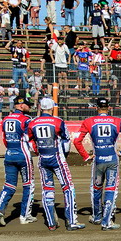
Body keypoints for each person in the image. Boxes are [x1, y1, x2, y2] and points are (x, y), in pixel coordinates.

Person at [72, 98, 121, 231]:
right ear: (109, 107)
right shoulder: (117, 121)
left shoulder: (89, 121)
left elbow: (77, 141)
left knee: (96, 188)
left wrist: (86, 156)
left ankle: (96, 217)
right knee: (111, 189)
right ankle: (107, 221)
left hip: (98, 160)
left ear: (96, 107)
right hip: (112, 160)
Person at [27, 98, 84, 231]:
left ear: (41, 107)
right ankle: (71, 221)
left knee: (47, 189)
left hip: (42, 158)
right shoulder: (58, 121)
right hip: (57, 158)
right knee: (68, 187)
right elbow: (66, 140)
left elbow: (30, 141)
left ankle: (51, 222)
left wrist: (38, 151)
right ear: (52, 108)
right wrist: (65, 155)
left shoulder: (32, 123)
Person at [0, 96, 36, 227]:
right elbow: (31, 137)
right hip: (23, 155)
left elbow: (5, 139)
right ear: (21, 105)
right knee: (28, 185)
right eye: (28, 105)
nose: (30, 107)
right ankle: (25, 215)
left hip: (9, 154)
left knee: (9, 185)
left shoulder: (6, 119)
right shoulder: (26, 119)